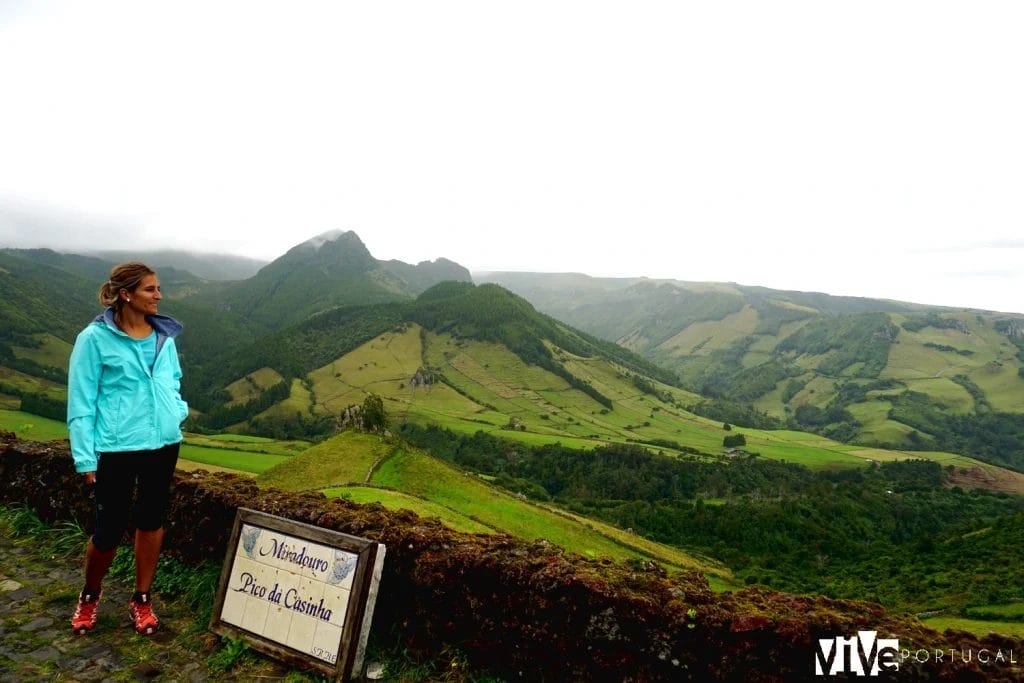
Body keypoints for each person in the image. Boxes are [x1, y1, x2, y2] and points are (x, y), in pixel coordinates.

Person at [66, 262, 189, 636]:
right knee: (108, 530)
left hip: (163, 444)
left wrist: (176, 412)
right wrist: (85, 457)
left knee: (151, 521)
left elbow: (173, 380)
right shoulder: (93, 339)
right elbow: (81, 401)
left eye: (158, 288)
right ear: (126, 294)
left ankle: (142, 599)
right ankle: (90, 594)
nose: (159, 296)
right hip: (115, 447)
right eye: (150, 289)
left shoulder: (164, 337)